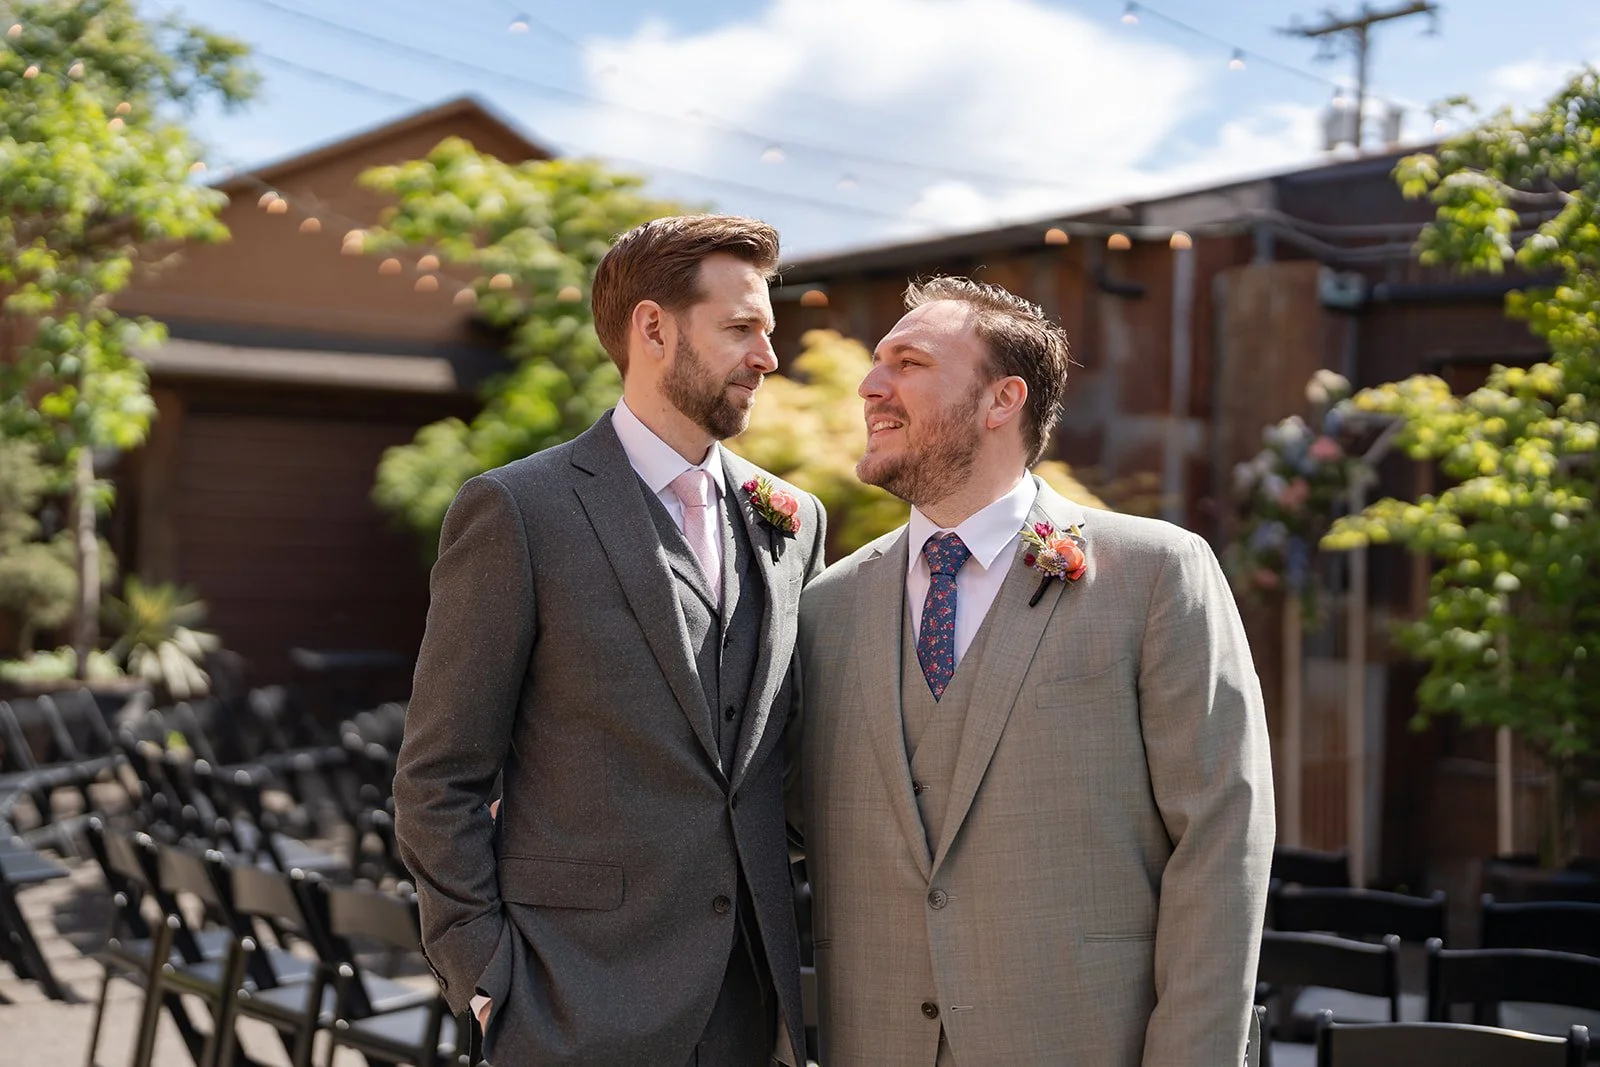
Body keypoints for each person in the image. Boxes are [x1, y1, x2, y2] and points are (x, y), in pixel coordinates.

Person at [796, 276, 1274, 1066]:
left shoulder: (1156, 572)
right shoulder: (828, 606)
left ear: (1000, 399)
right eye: (876, 363)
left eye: (908, 362)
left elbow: (1223, 836)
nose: (870, 385)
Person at [393, 214, 827, 1067]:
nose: (768, 358)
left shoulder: (794, 519)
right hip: (572, 1003)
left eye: (768, 333)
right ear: (653, 328)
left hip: (753, 1002)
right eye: (741, 328)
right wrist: (481, 970)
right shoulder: (521, 510)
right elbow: (438, 774)